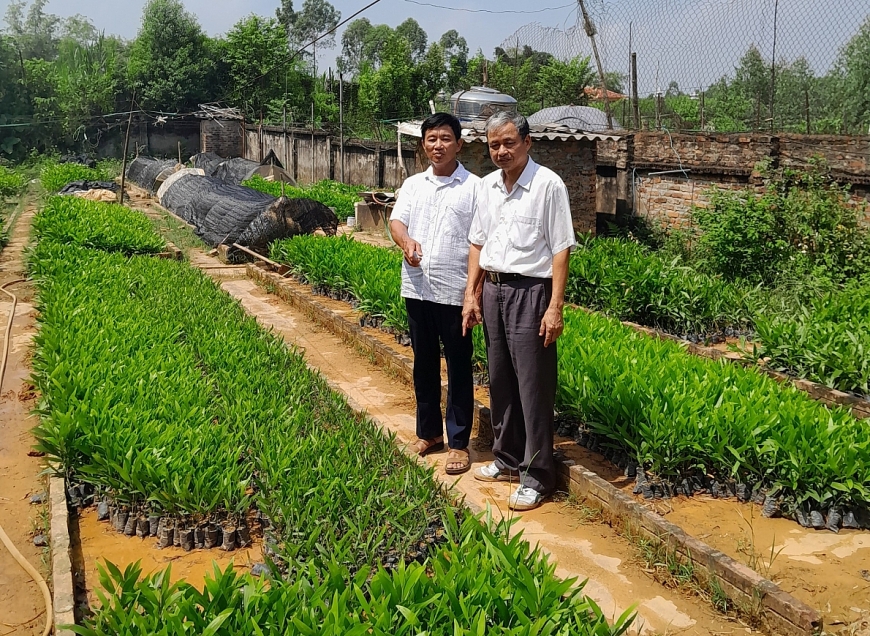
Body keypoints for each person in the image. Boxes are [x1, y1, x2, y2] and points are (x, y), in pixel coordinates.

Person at [462, 111, 575, 511]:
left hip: (530, 292)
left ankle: (537, 475)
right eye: (494, 145)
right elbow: (478, 243)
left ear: (527, 142)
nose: (502, 151)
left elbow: (561, 248)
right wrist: (471, 294)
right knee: (500, 380)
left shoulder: (548, 185)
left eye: (509, 142)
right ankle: (507, 457)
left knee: (533, 384)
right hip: (493, 290)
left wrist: (554, 307)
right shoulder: (487, 187)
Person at [389, 112, 480, 475]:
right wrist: (406, 241)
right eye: (431, 139)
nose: (438, 145)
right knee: (423, 362)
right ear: (423, 144)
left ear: (459, 144)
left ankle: (458, 442)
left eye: (445, 138)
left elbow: (479, 243)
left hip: (455, 291)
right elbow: (397, 222)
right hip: (417, 288)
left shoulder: (475, 188)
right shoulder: (413, 185)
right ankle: (429, 434)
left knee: (458, 365)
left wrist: (472, 293)